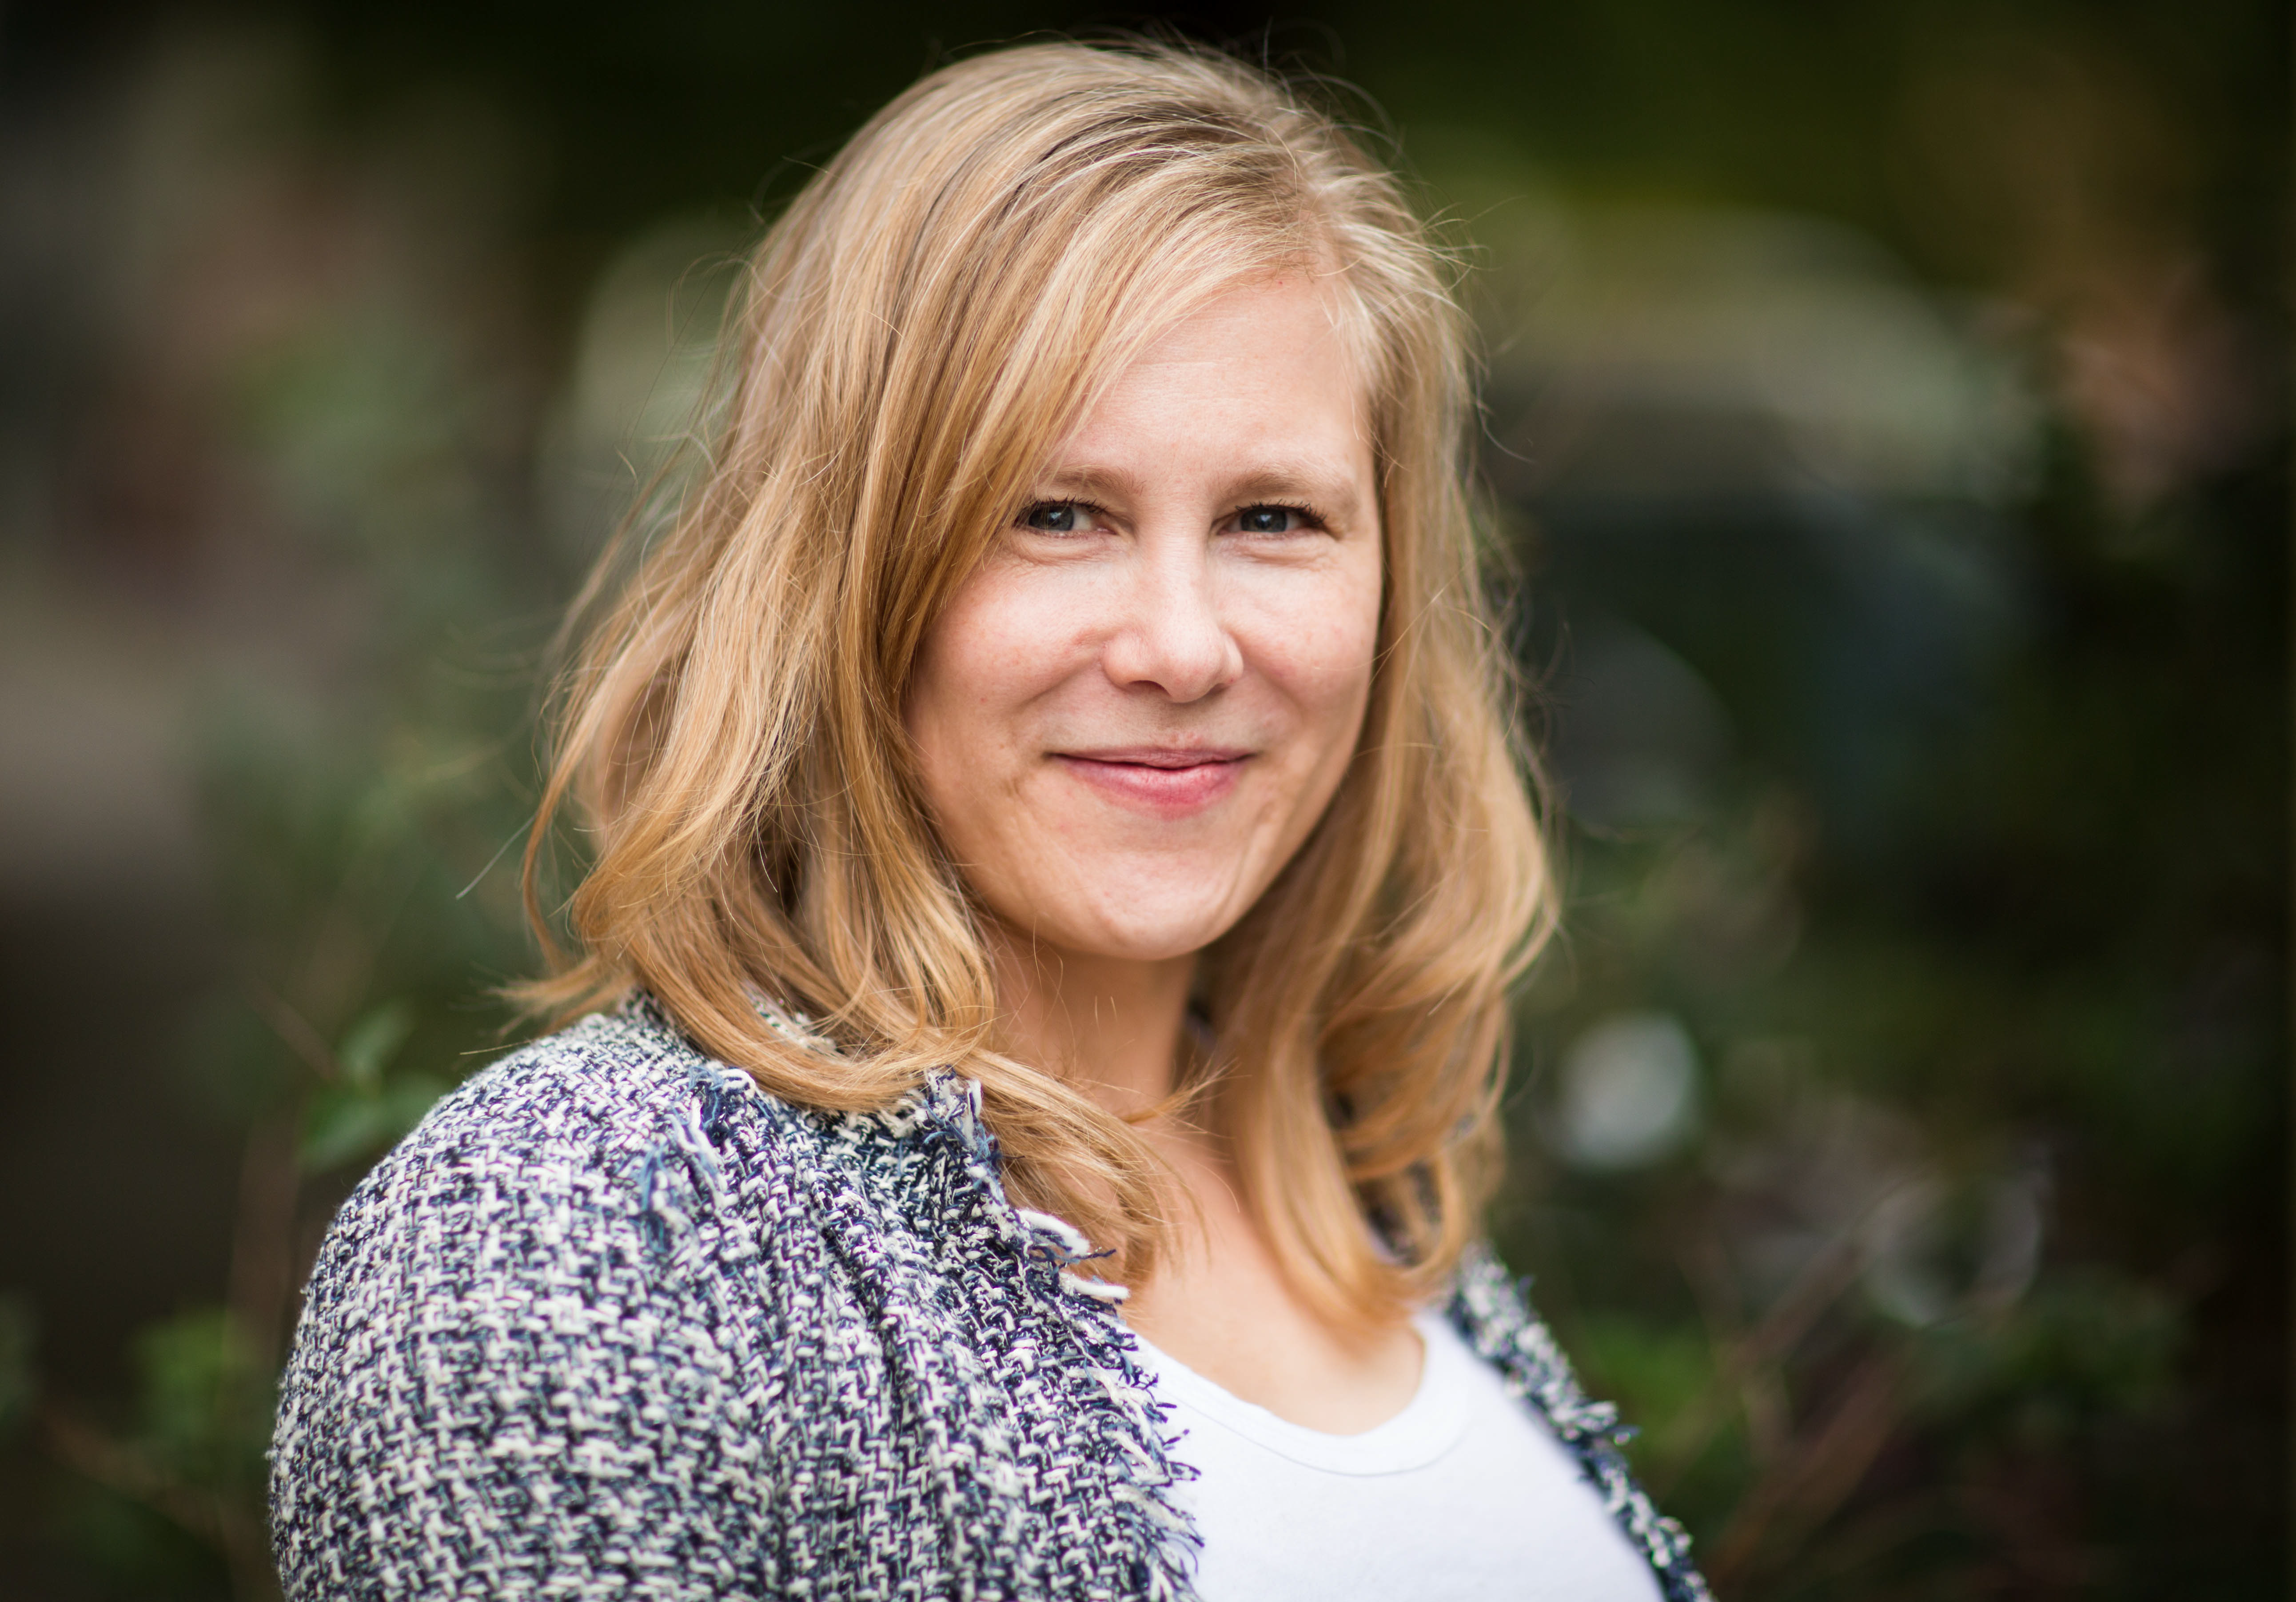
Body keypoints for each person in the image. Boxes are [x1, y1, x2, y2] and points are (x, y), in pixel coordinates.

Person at [269, 40, 1710, 1602]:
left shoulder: (1396, 1222)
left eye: (1272, 518)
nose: (1181, 645)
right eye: (1057, 514)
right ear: (842, 579)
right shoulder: (594, 1229)